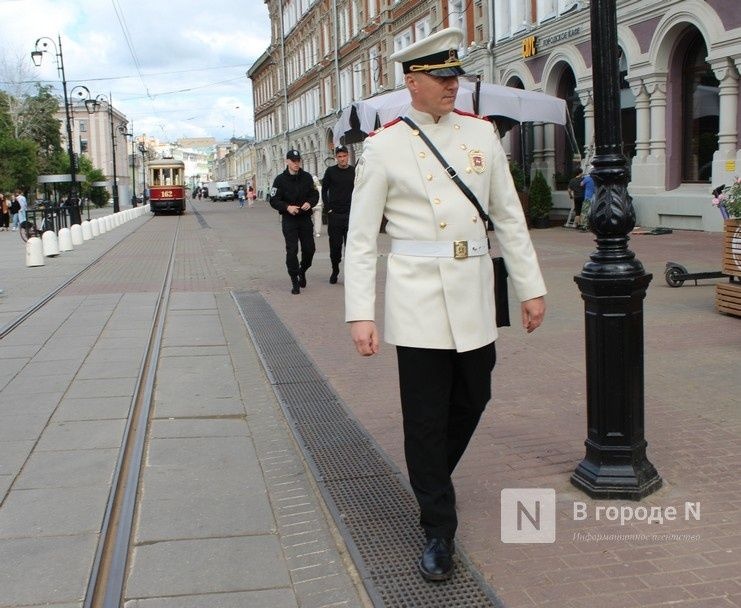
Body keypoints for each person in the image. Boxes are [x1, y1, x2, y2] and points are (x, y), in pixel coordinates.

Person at [344, 28, 546, 582]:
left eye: (455, 76)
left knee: (475, 396)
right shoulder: (383, 146)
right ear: (412, 82)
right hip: (418, 299)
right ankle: (438, 527)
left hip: (475, 290)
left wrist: (530, 286)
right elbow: (360, 239)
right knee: (426, 418)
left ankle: (428, 479)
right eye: (440, 77)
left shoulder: (482, 136)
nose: (451, 85)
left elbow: (509, 216)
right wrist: (360, 312)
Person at [269, 149, 319, 294]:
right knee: (292, 251)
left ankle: (302, 270)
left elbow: (314, 194)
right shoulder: (280, 180)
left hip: (304, 219)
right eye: (293, 161)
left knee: (310, 249)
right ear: (287, 162)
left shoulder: (307, 177)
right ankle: (294, 281)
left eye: (298, 161)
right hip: (289, 220)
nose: (296, 164)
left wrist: (310, 203)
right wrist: (287, 207)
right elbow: (273, 200)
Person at [321, 145, 356, 284]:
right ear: (336, 158)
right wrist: (328, 208)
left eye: (344, 156)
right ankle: (335, 269)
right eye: (339, 156)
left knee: (351, 247)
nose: (342, 159)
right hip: (335, 215)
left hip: (350, 215)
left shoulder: (354, 171)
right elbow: (324, 191)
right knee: (335, 247)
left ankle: (351, 274)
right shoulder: (330, 171)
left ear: (348, 156)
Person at [579, 166, 595, 231]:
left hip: (588, 197)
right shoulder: (597, 178)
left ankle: (584, 226)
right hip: (595, 197)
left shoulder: (587, 178)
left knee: (585, 212)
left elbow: (581, 184)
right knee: (593, 212)